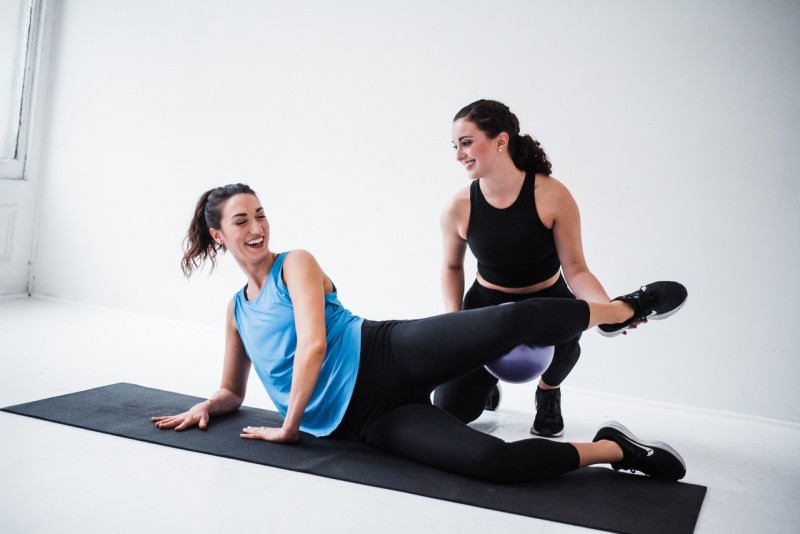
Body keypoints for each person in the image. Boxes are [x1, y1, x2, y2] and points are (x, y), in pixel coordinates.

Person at [152, 183, 689, 483]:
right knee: (490, 463)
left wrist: (289, 428)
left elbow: (315, 344)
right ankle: (615, 451)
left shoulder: (297, 263)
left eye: (260, 214)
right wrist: (208, 406)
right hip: (370, 420)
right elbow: (232, 390)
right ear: (218, 236)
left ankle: (621, 309)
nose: (257, 227)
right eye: (241, 221)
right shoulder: (236, 311)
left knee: (509, 318)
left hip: (386, 353)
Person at [437, 99, 664, 437]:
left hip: (548, 304)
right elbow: (452, 267)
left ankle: (548, 391)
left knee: (570, 331)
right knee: (449, 411)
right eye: (455, 146)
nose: (458, 154)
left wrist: (606, 311)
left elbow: (576, 270)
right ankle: (487, 378)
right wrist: (455, 321)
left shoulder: (551, 196)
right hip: (486, 306)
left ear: (501, 140)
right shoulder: (459, 206)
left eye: (466, 143)